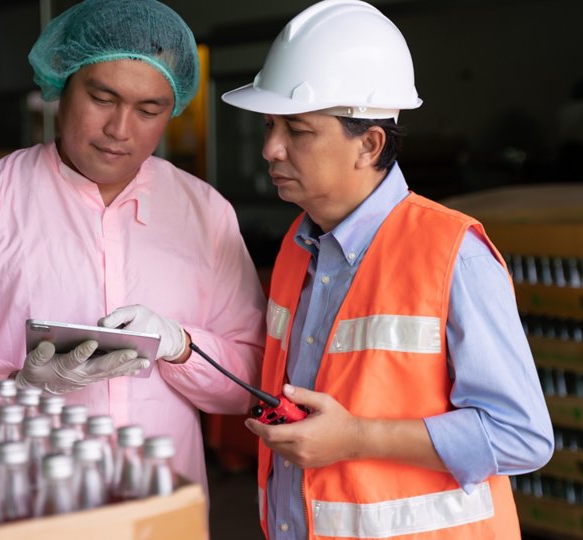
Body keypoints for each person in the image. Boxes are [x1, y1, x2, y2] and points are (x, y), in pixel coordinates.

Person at [0, 0, 266, 490]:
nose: (119, 130)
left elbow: (249, 381)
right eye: (103, 99)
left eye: (149, 109)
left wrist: (181, 347)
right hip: (25, 502)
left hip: (160, 505)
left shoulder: (205, 213)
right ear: (61, 84)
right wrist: (16, 388)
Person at [221, 1, 553, 538]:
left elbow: (521, 437)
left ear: (369, 144)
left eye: (297, 130)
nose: (270, 149)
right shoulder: (299, 244)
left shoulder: (452, 253)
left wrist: (356, 438)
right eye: (268, 125)